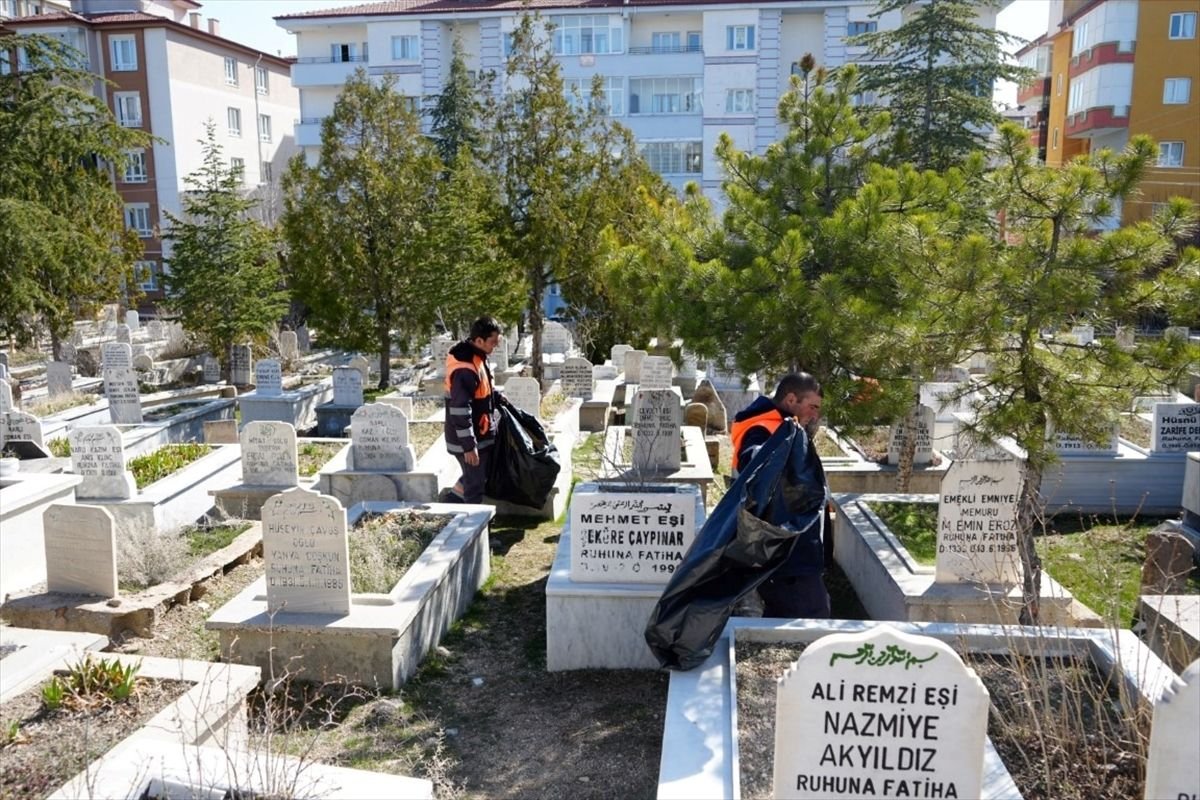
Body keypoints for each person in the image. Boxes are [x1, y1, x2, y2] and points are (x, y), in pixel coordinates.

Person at [729, 372, 831, 619]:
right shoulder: (762, 429)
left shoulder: (786, 426)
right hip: (786, 552)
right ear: (791, 399)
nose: (816, 415)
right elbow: (754, 466)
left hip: (792, 550)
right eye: (812, 406)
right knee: (811, 621)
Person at [442, 316, 502, 503]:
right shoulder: (465, 369)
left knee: (476, 475)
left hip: (479, 432)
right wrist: (469, 447)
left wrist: (498, 398)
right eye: (493, 342)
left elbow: (481, 391)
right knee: (475, 485)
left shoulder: (477, 356)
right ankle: (474, 528)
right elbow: (460, 409)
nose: (495, 347)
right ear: (479, 341)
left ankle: (452, 501)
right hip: (467, 439)